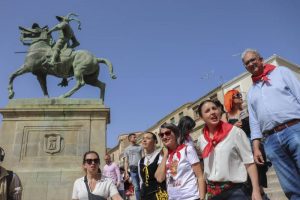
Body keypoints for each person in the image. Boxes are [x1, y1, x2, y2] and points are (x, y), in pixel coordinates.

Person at [241, 48, 300, 199]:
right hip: (271, 141)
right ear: (246, 67)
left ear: (261, 59)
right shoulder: (251, 92)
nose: (251, 63)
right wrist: (256, 147)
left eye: (253, 59)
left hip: (294, 129)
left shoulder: (281, 72)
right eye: (247, 63)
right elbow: (254, 122)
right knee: (290, 187)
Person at [197, 100, 262, 200]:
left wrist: (256, 190)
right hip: (213, 194)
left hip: (235, 191)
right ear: (201, 118)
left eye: (214, 108)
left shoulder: (235, 132)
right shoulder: (201, 140)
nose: (212, 112)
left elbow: (249, 162)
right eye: (207, 111)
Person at [224, 90, 270, 199]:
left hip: (253, 146)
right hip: (238, 152)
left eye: (240, 95)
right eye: (237, 95)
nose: (240, 97)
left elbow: (257, 126)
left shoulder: (247, 110)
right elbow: (223, 134)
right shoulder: (225, 116)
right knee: (246, 183)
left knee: (258, 182)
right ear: (230, 99)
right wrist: (232, 127)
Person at [155, 123, 206, 200]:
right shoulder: (162, 156)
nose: (164, 137)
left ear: (175, 134)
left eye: (167, 133)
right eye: (161, 135)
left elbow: (200, 176)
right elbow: (159, 178)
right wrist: (165, 155)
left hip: (190, 197)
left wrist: (202, 198)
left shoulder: (187, 149)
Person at [138, 132, 167, 200]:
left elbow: (163, 177)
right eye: (143, 138)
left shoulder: (161, 156)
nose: (144, 140)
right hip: (145, 195)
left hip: (159, 194)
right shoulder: (140, 161)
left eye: (148, 138)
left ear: (155, 142)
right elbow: (141, 181)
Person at [124, 133, 143, 200]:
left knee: (143, 185)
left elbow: (143, 157)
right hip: (132, 170)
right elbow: (126, 161)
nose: (136, 138)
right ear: (130, 139)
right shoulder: (126, 149)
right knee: (136, 187)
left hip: (141, 168)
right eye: (134, 137)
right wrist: (126, 172)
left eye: (136, 137)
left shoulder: (140, 147)